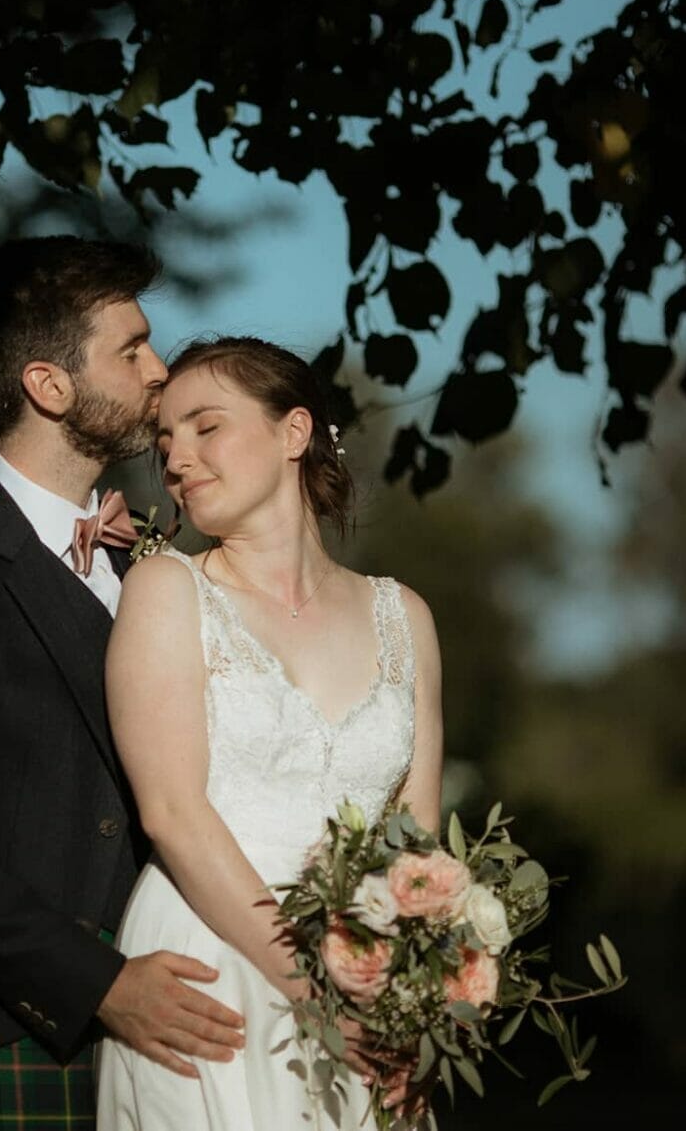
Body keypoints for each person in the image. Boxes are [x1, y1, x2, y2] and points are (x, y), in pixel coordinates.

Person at [0, 237, 245, 1131]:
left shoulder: (162, 561)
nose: (160, 369)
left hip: (162, 1032)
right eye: (132, 349)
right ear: (50, 386)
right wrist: (101, 983)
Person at [95, 336, 444, 1130]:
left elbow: (420, 841)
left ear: (293, 433)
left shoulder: (405, 617)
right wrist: (313, 986)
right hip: (212, 966)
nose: (177, 459)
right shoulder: (166, 590)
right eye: (164, 442)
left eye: (205, 427)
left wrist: (419, 1014)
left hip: (371, 973)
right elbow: (173, 814)